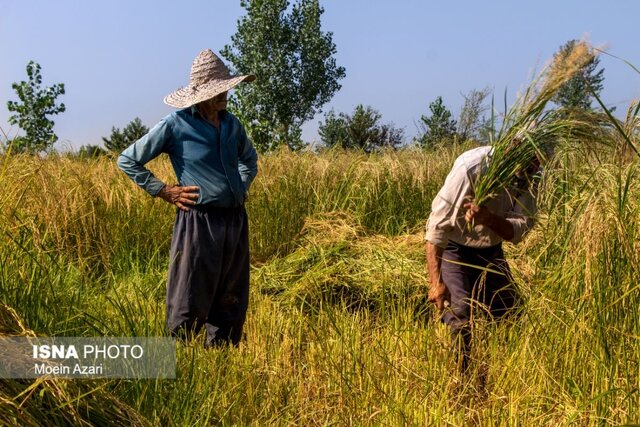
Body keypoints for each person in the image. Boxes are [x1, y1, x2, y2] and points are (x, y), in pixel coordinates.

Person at [117, 49, 258, 347]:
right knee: (190, 292)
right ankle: (181, 355)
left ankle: (222, 357)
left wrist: (241, 187)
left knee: (231, 295)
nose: (225, 95)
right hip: (198, 220)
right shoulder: (176, 125)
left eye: (226, 89)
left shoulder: (232, 125)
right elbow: (128, 159)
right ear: (201, 94)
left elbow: (249, 160)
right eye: (218, 91)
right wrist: (163, 190)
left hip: (234, 220)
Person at [425, 145, 539, 372]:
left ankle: (503, 374)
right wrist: (436, 282)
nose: (534, 166)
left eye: (538, 161)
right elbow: (437, 226)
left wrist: (488, 219)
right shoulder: (472, 166)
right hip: (456, 248)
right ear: (513, 148)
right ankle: (462, 379)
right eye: (532, 159)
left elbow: (518, 231)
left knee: (511, 313)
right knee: (460, 317)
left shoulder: (531, 175)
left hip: (491, 250)